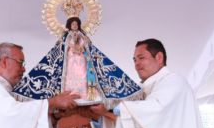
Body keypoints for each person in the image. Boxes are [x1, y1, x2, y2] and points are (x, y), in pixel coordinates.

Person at [13, 17, 141, 104]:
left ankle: (85, 94)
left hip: (81, 57)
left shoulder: (82, 35)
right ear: (69, 25)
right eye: (73, 24)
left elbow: (87, 44)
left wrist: (81, 47)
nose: (74, 26)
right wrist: (74, 47)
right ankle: (68, 93)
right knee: (70, 74)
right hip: (70, 58)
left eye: (76, 24)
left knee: (82, 73)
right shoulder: (67, 35)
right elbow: (65, 45)